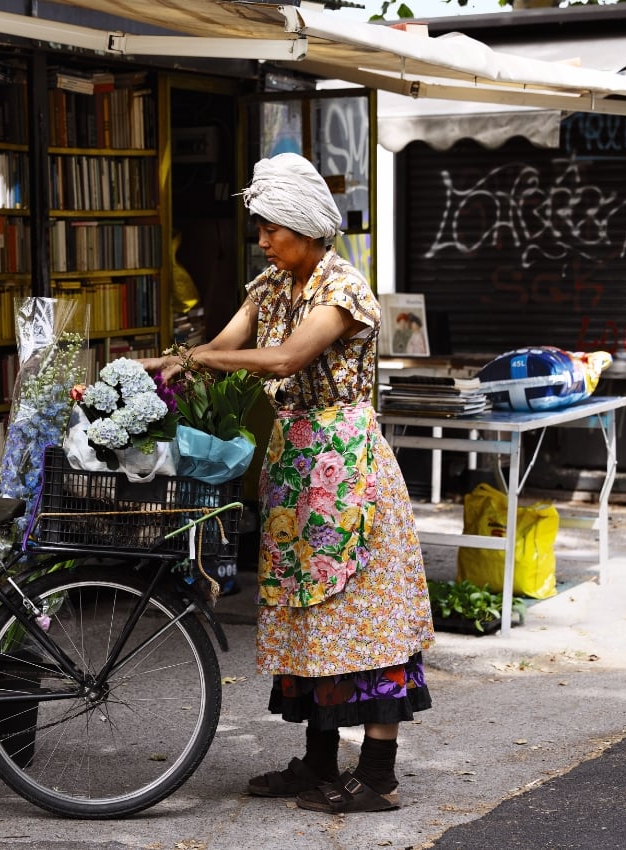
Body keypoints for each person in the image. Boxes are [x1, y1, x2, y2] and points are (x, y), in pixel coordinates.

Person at [141, 152, 434, 814]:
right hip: (295, 465)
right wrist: (153, 369)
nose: (264, 239)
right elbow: (220, 348)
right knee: (306, 614)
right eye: (262, 228)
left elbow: (286, 357)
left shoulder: (344, 290)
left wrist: (192, 357)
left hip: (348, 466)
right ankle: (318, 763)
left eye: (273, 227)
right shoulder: (269, 288)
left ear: (305, 226)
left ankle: (379, 774)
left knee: (363, 617)